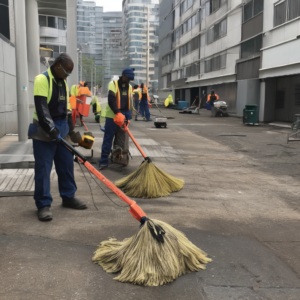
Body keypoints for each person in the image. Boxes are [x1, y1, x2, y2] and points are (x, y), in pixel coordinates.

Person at [29, 53, 87, 222]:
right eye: (67, 70)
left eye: (71, 71)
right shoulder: (42, 80)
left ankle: (68, 197)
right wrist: (51, 129)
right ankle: (43, 204)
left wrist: (70, 128)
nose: (69, 74)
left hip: (61, 127)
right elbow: (42, 109)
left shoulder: (63, 82)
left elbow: (67, 108)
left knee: (66, 164)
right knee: (44, 168)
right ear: (58, 66)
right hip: (43, 129)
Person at [98, 68, 134, 170]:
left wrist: (128, 116)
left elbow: (129, 102)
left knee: (121, 140)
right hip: (112, 117)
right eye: (128, 79)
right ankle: (104, 160)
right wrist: (117, 113)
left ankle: (118, 158)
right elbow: (111, 100)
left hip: (124, 117)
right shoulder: (113, 84)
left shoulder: (130, 87)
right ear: (124, 76)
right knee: (108, 138)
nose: (129, 81)